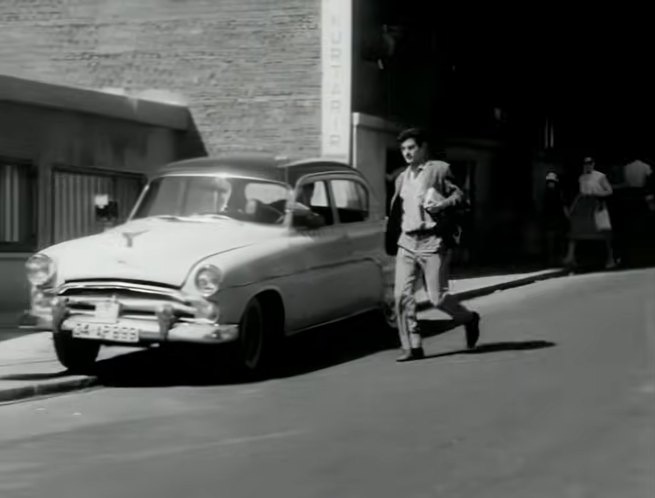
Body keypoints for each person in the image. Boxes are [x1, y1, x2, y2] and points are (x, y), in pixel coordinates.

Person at [385, 127, 480, 362]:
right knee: (401, 297)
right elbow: (397, 210)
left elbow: (461, 197)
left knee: (437, 297)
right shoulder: (400, 178)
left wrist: (443, 205)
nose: (407, 153)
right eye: (403, 149)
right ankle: (412, 346)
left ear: (422, 148)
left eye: (411, 148)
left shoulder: (439, 170)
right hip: (407, 242)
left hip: (432, 241)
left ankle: (469, 319)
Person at [563, 156, 616, 269]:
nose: (588, 165)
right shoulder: (582, 177)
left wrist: (597, 195)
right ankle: (571, 257)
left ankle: (610, 259)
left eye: (590, 163)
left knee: (604, 232)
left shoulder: (600, 176)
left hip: (598, 204)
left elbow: (609, 191)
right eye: (586, 164)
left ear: (593, 164)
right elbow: (580, 193)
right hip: (584, 206)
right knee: (577, 229)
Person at [540, 172, 569, 265]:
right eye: (549, 182)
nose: (551, 184)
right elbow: (564, 206)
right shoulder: (555, 193)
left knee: (555, 240)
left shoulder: (551, 193)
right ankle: (554, 259)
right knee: (554, 240)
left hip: (555, 219)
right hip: (553, 219)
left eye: (552, 182)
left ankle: (555, 259)